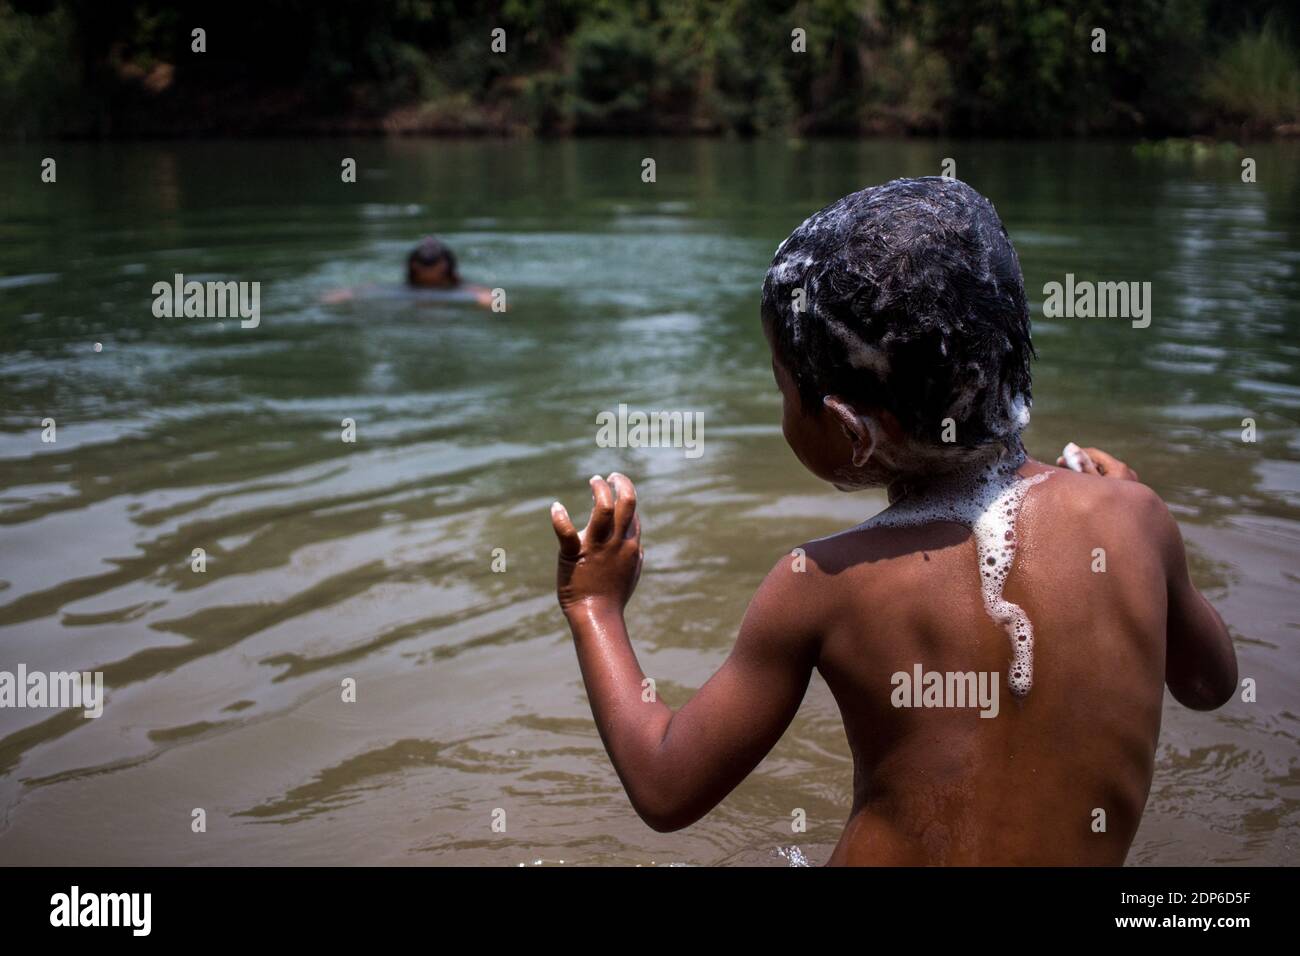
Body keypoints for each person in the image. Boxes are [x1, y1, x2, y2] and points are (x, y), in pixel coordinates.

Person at [548, 177, 1237, 865]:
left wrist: (594, 604)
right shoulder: (1136, 519)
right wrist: (1146, 522)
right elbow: (1210, 685)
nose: (780, 411)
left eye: (782, 389)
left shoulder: (818, 584)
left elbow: (666, 785)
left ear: (852, 432)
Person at [322, 236, 495, 307]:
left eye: (433, 262)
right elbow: (359, 289)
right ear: (413, 266)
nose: (427, 268)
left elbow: (498, 301)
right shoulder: (402, 288)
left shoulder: (463, 288)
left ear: (445, 266)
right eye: (423, 262)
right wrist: (346, 293)